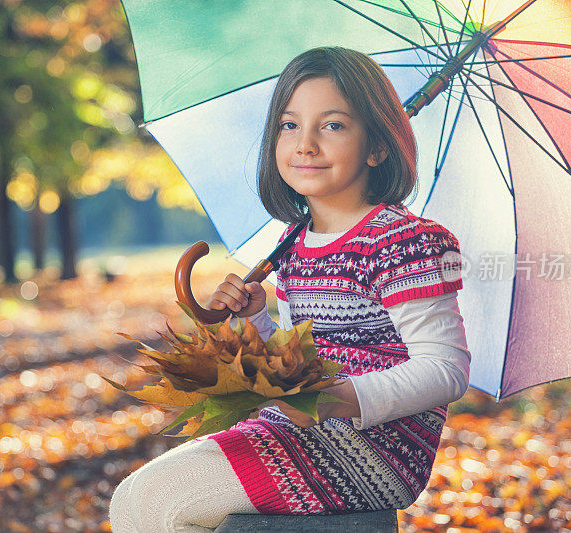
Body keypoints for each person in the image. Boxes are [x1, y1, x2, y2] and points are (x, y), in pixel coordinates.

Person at [109, 46, 470, 533]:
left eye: (334, 125)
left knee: (162, 502)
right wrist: (254, 320)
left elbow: (445, 369)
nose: (306, 144)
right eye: (289, 125)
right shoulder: (294, 242)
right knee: (129, 499)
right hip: (296, 425)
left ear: (377, 147)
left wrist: (344, 397)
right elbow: (302, 349)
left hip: (373, 449)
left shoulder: (406, 243)